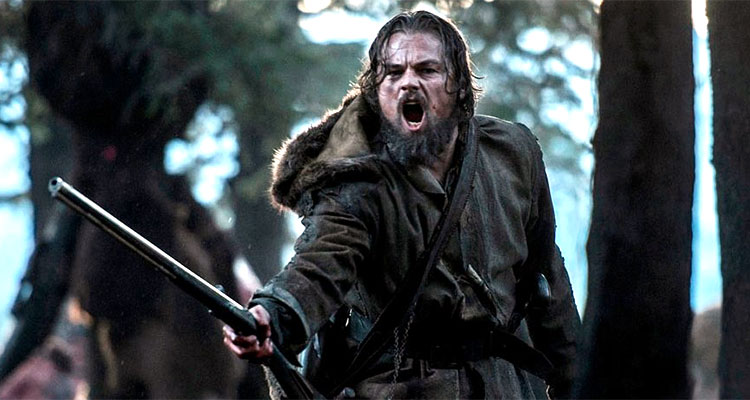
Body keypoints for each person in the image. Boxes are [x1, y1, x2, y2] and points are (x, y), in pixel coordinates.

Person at [223, 10, 580, 399]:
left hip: (503, 389)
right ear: (376, 92)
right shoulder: (356, 179)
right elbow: (319, 265)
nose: (409, 82)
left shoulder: (512, 153)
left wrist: (577, 382)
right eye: (393, 73)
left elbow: (546, 281)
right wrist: (273, 315)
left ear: (459, 85)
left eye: (427, 70)